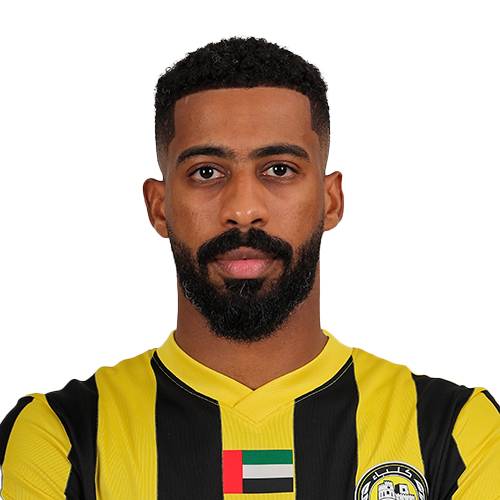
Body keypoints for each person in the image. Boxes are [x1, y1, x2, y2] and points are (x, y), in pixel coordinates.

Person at [1, 34, 499, 500]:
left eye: (279, 169)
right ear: (158, 207)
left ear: (331, 200)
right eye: (206, 172)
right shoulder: (59, 435)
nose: (243, 210)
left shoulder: (457, 432)